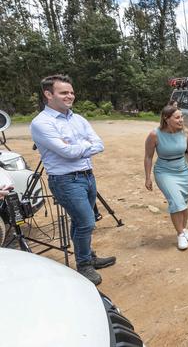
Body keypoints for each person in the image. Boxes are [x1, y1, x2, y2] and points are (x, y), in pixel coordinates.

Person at [30, 74, 115, 285]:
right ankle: (84, 265)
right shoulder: (41, 123)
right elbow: (67, 153)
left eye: (71, 92)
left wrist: (77, 148)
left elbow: (99, 144)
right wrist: (84, 146)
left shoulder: (78, 119)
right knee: (86, 222)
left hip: (87, 176)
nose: (70, 96)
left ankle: (87, 256)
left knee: (83, 221)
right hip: (66, 181)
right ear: (48, 94)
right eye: (64, 92)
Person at [144, 104, 188, 250]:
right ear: (166, 119)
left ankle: (184, 229)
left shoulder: (186, 133)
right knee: (176, 202)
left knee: (183, 203)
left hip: (182, 170)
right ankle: (180, 234)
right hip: (164, 172)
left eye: (182, 117)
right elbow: (148, 157)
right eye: (177, 117)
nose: (181, 120)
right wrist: (148, 177)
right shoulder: (155, 134)